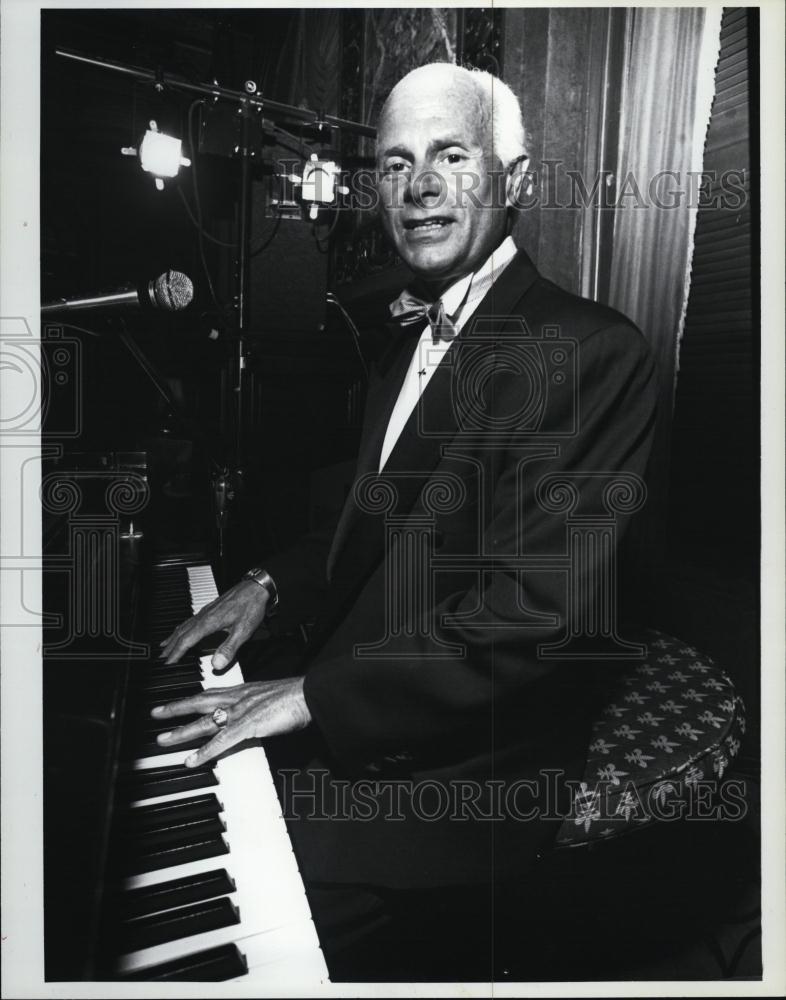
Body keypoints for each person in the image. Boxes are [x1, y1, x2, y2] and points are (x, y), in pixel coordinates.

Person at [152, 63, 658, 980]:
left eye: (451, 156)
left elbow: (532, 618)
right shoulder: (405, 337)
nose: (419, 186)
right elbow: (380, 519)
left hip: (464, 786)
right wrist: (271, 584)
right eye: (394, 163)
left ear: (518, 181)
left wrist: (311, 697)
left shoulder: (589, 351)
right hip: (366, 694)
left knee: (212, 921)